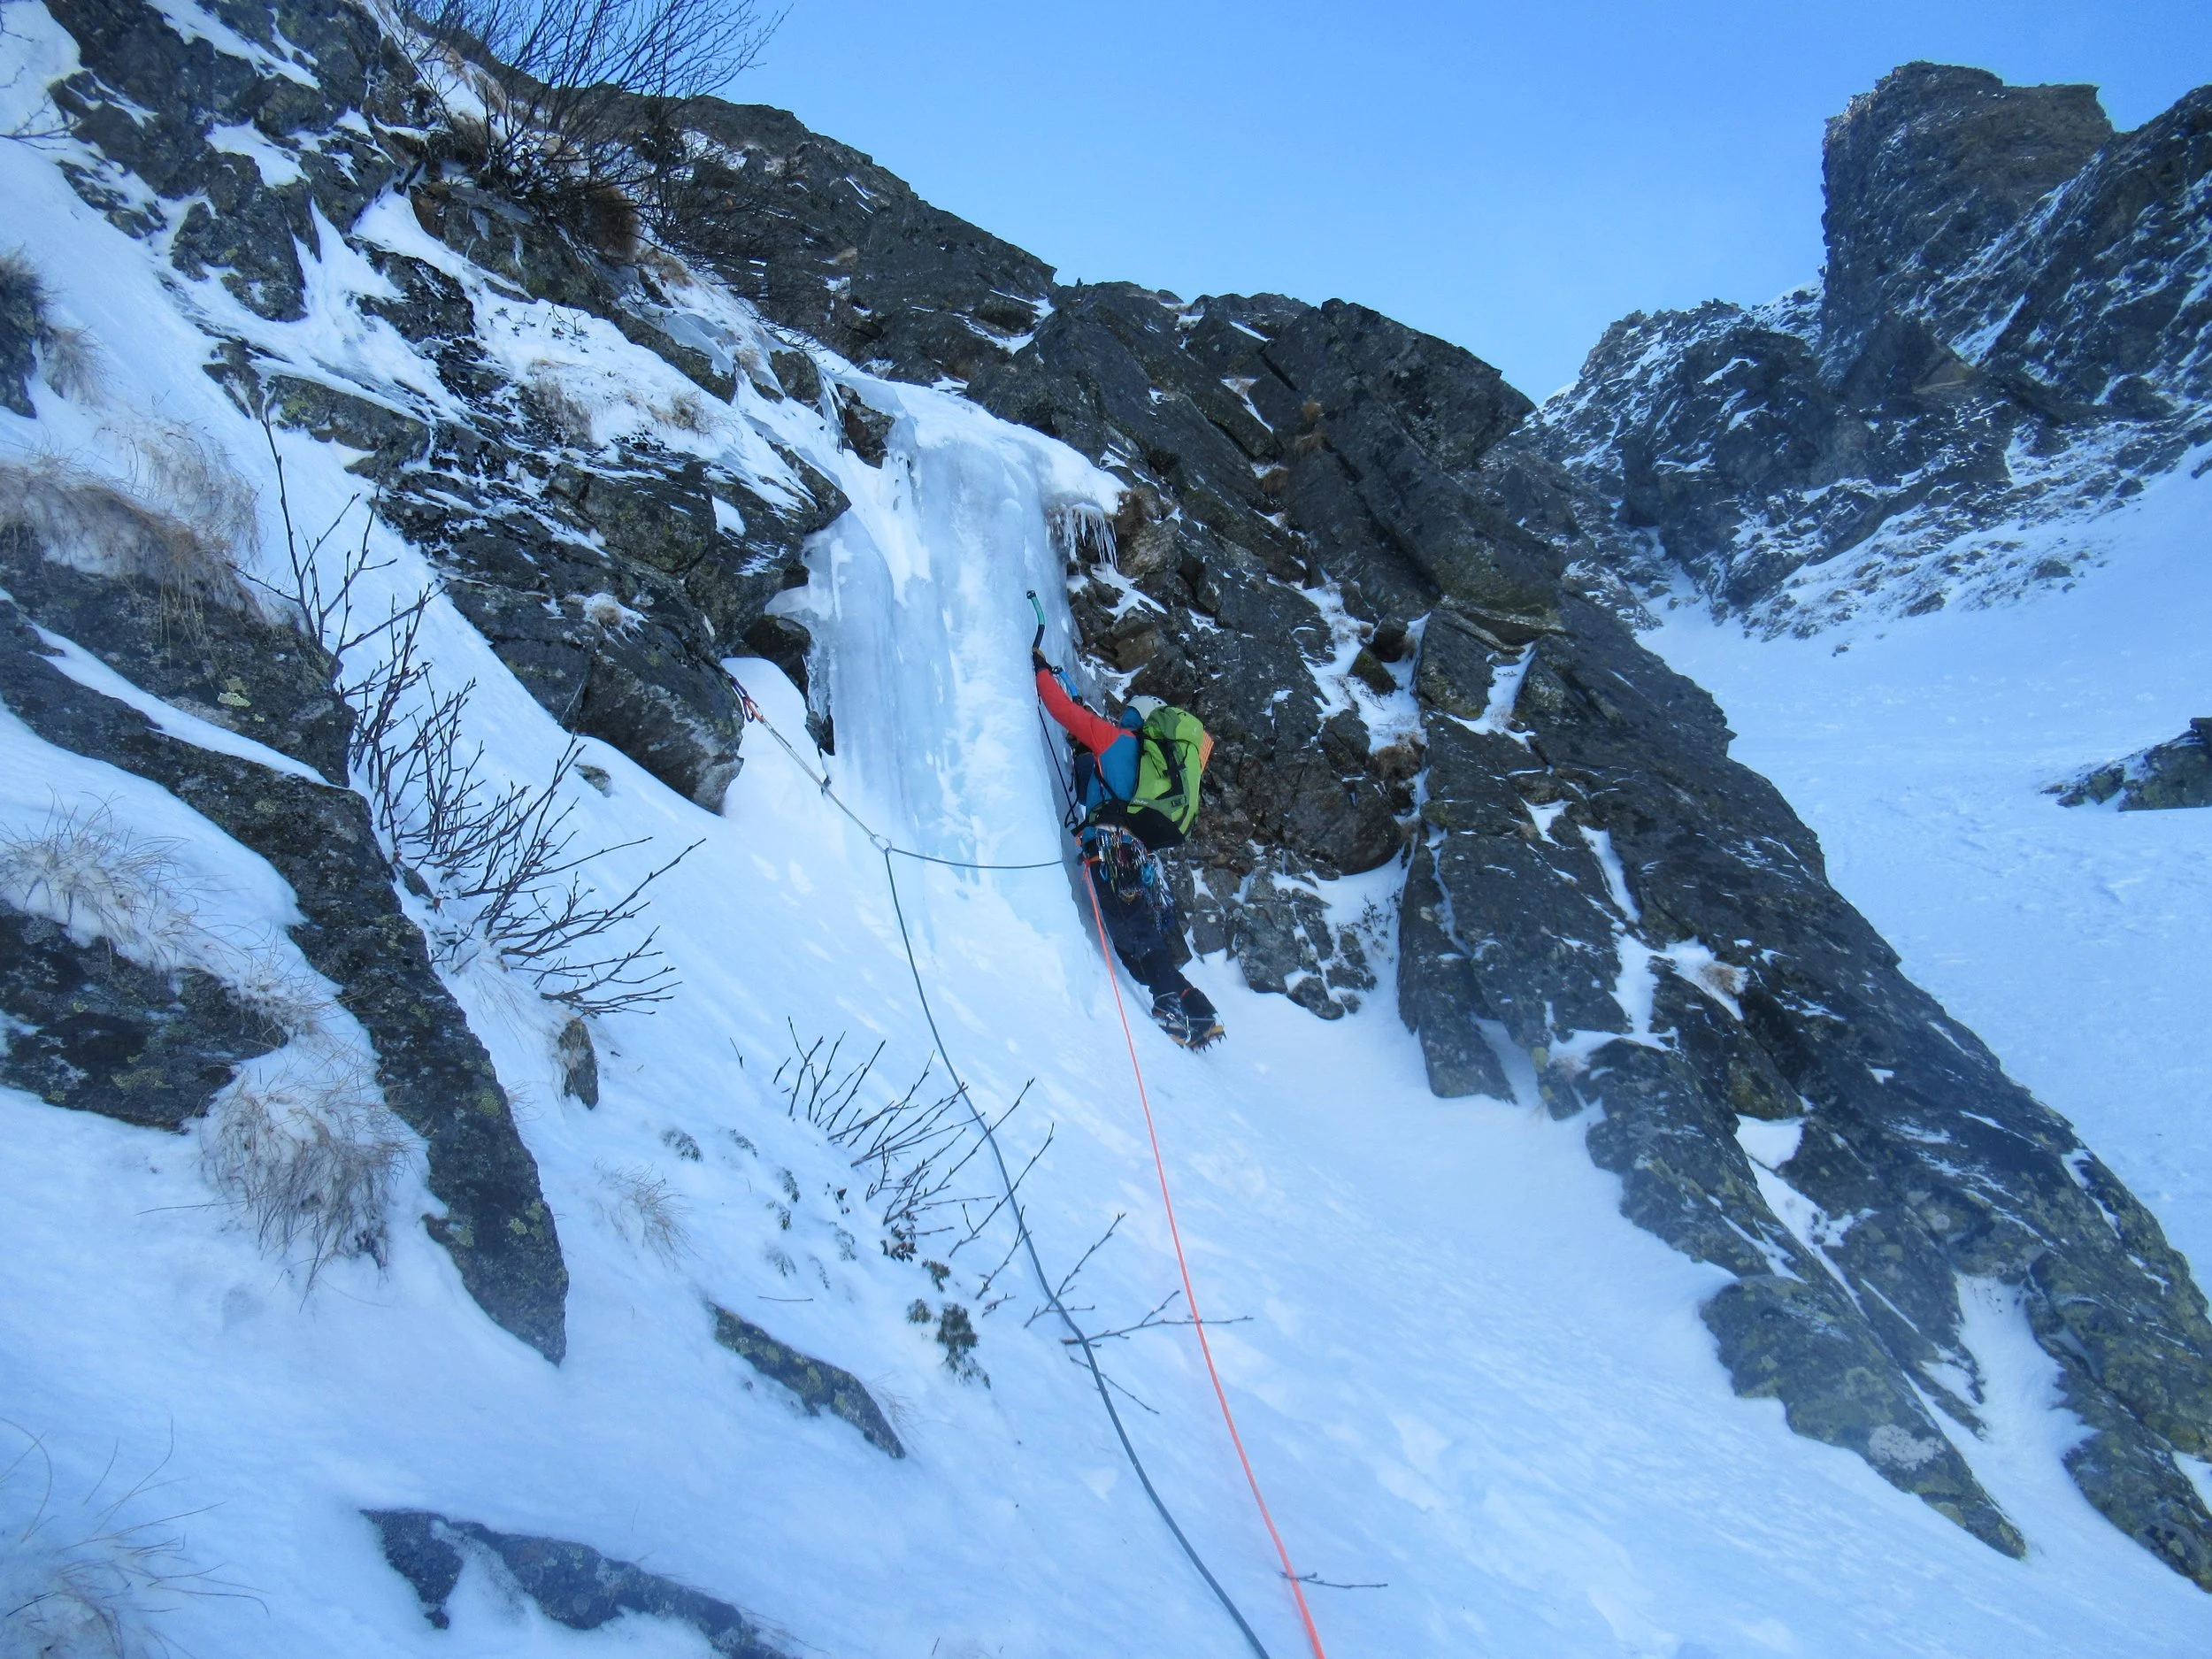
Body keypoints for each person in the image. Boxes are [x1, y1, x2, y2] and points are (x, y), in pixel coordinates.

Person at [1033, 648, 1225, 1050]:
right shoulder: (1152, 759)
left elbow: (1063, 710)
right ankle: (1197, 1005)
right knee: (1140, 937)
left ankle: (1169, 1007)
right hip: (1136, 855)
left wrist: (1039, 671)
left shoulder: (1116, 740)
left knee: (1133, 938)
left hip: (1109, 852)